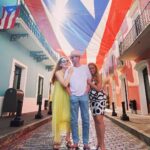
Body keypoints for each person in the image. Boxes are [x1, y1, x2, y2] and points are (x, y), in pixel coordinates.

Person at [67, 50, 91, 150]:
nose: (72, 59)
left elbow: (89, 81)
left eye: (74, 57)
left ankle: (85, 143)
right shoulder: (69, 69)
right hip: (74, 97)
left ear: (79, 57)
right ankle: (76, 142)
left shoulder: (85, 68)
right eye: (71, 57)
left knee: (86, 120)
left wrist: (86, 91)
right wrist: (71, 94)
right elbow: (66, 84)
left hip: (84, 96)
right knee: (73, 120)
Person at [51, 57, 73, 150]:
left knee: (69, 117)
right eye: (64, 61)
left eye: (68, 61)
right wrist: (70, 73)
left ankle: (68, 138)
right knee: (58, 117)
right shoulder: (58, 72)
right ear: (60, 64)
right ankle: (57, 140)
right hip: (59, 97)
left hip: (67, 96)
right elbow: (64, 84)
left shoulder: (68, 72)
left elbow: (71, 85)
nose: (67, 62)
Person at [88, 63, 106, 150]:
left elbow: (98, 88)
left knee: (100, 120)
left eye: (93, 68)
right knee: (95, 121)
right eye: (89, 68)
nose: (91, 70)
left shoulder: (99, 76)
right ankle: (99, 142)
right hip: (92, 100)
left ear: (95, 68)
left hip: (100, 99)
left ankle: (103, 144)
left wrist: (89, 83)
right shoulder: (88, 78)